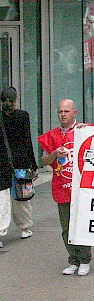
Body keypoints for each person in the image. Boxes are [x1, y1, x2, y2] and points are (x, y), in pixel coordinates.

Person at [39, 99, 92, 276]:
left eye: (66, 111)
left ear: (74, 112)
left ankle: (85, 259)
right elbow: (44, 161)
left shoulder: (84, 131)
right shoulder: (53, 135)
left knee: (81, 225)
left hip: (82, 188)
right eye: (60, 111)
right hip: (62, 187)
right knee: (66, 227)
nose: (63, 115)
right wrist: (54, 153)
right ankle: (73, 259)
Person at [0, 87, 37, 248]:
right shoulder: (23, 116)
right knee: (21, 197)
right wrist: (33, 164)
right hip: (20, 162)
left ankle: (1, 232)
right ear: (15, 100)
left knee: (2, 200)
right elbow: (27, 142)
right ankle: (25, 228)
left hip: (1, 163)